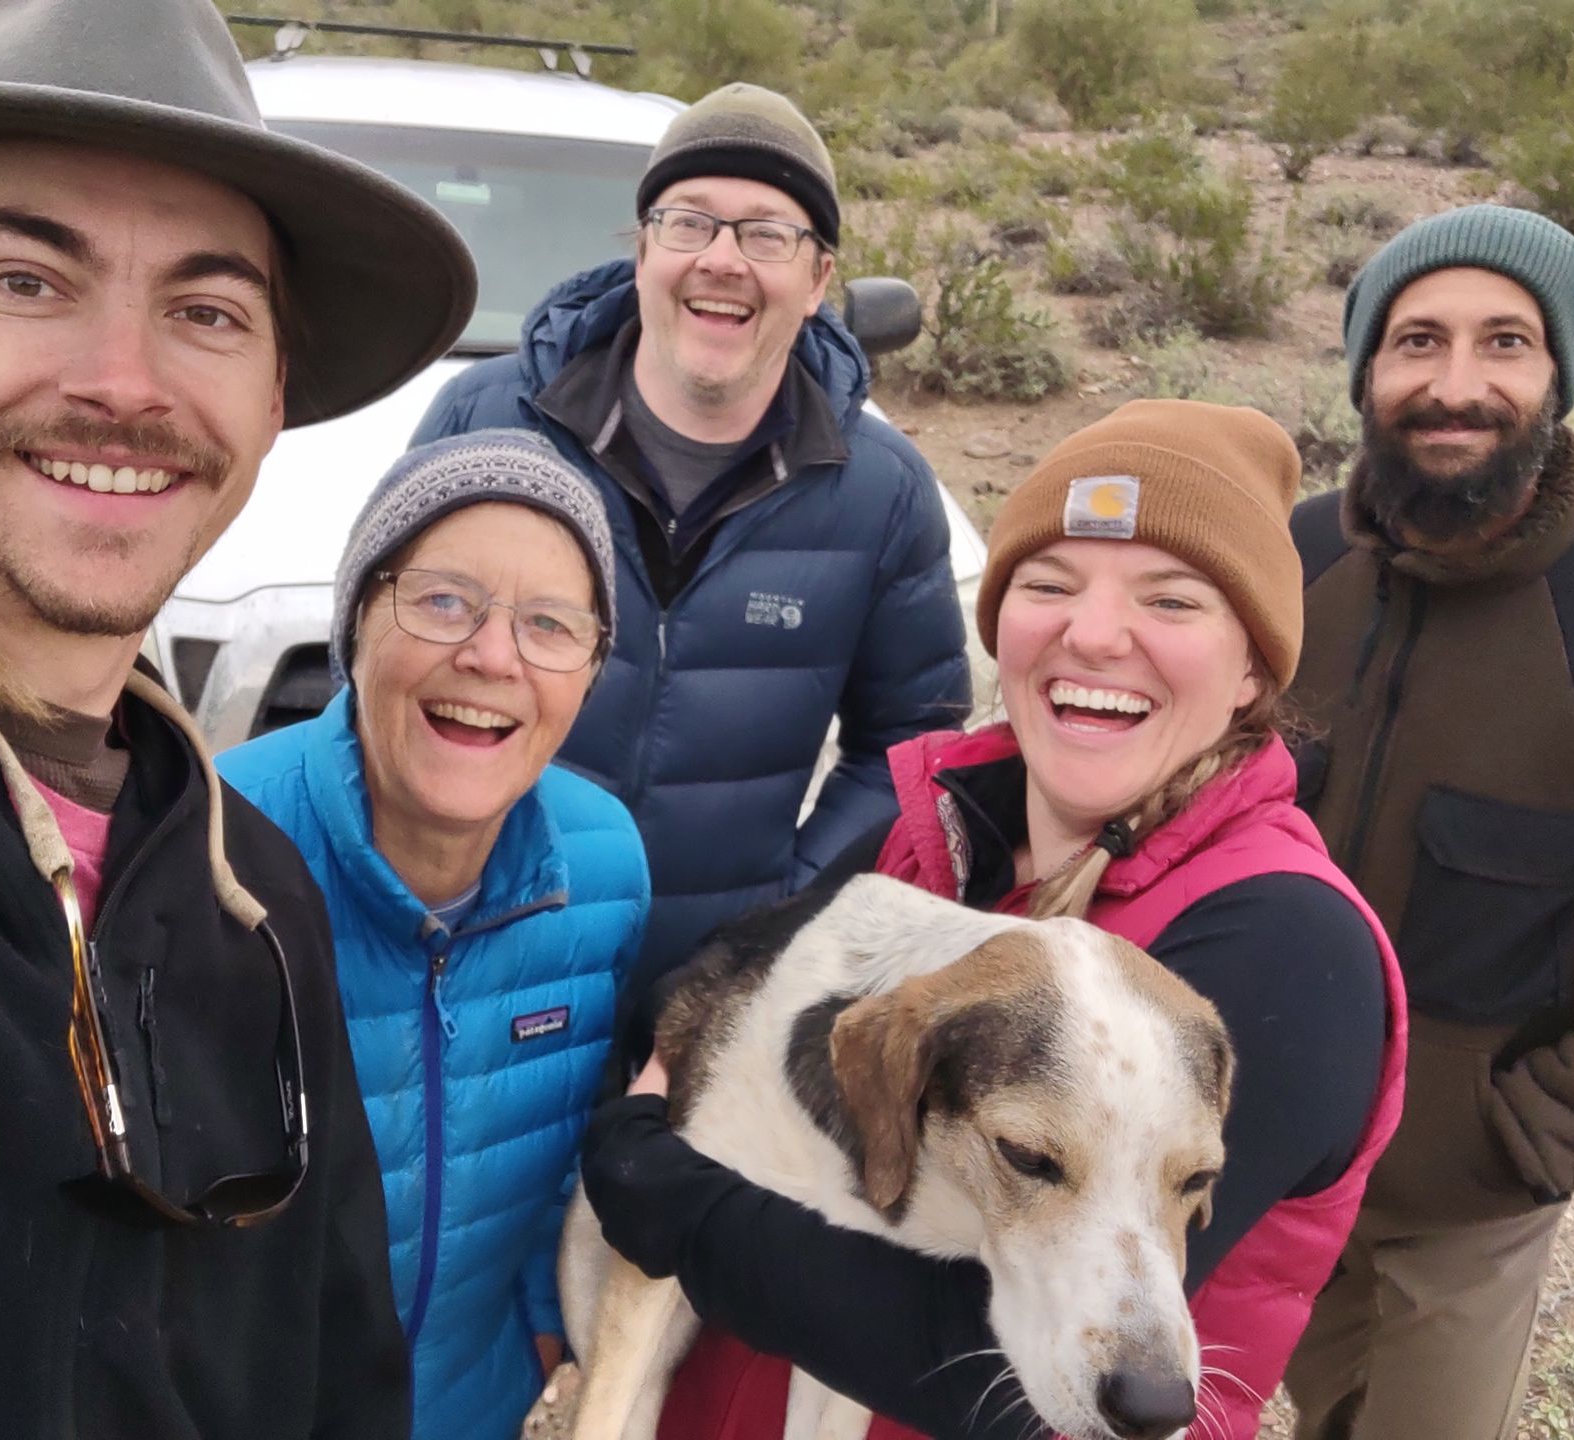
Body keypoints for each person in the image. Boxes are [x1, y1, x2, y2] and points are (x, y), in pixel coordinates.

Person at [0, 0, 477, 1435]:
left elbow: (338, 1389)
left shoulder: (257, 911)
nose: (123, 385)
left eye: (205, 312)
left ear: (272, 398)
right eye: (26, 278)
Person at [577, 400, 1407, 1440]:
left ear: (1253, 667)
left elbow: (972, 1367)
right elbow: (717, 996)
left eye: (1173, 600)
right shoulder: (934, 836)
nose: (1095, 634)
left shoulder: (1287, 946)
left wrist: (662, 1190)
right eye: (1050, 584)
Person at [413, 82, 970, 1037]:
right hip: (469, 963)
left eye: (766, 233)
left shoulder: (882, 490)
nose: (722, 261)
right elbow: (381, 658)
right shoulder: (488, 420)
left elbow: (914, 743)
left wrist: (777, 916)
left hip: (707, 1016)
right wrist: (435, 870)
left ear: (819, 278)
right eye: (690, 223)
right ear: (642, 250)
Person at [1283, 205, 1574, 1440]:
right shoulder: (1290, 563)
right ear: (1365, 372)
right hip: (1263, 1153)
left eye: (1505, 342)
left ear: (1561, 376)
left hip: (1466, 1192)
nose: (1455, 385)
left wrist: (1538, 1127)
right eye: (1416, 341)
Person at [218, 430, 650, 1440]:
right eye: (443, 600)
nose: (492, 656)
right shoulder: (210, 849)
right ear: (358, 625)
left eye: (550, 624)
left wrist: (550, 1328)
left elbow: (569, 1139)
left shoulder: (604, 869)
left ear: (589, 672)